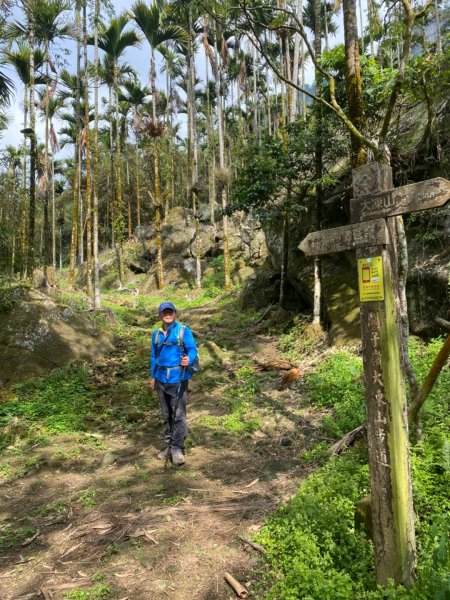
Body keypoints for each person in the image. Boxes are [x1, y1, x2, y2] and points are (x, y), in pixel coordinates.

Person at [150, 301, 198, 466]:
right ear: (160, 315)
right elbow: (154, 356)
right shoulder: (156, 334)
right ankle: (168, 446)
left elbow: (192, 349)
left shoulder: (183, 330)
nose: (167, 315)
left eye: (170, 312)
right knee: (166, 415)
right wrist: (153, 376)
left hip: (178, 378)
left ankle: (177, 448)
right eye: (164, 312)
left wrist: (188, 359)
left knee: (178, 414)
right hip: (161, 378)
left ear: (175, 314)